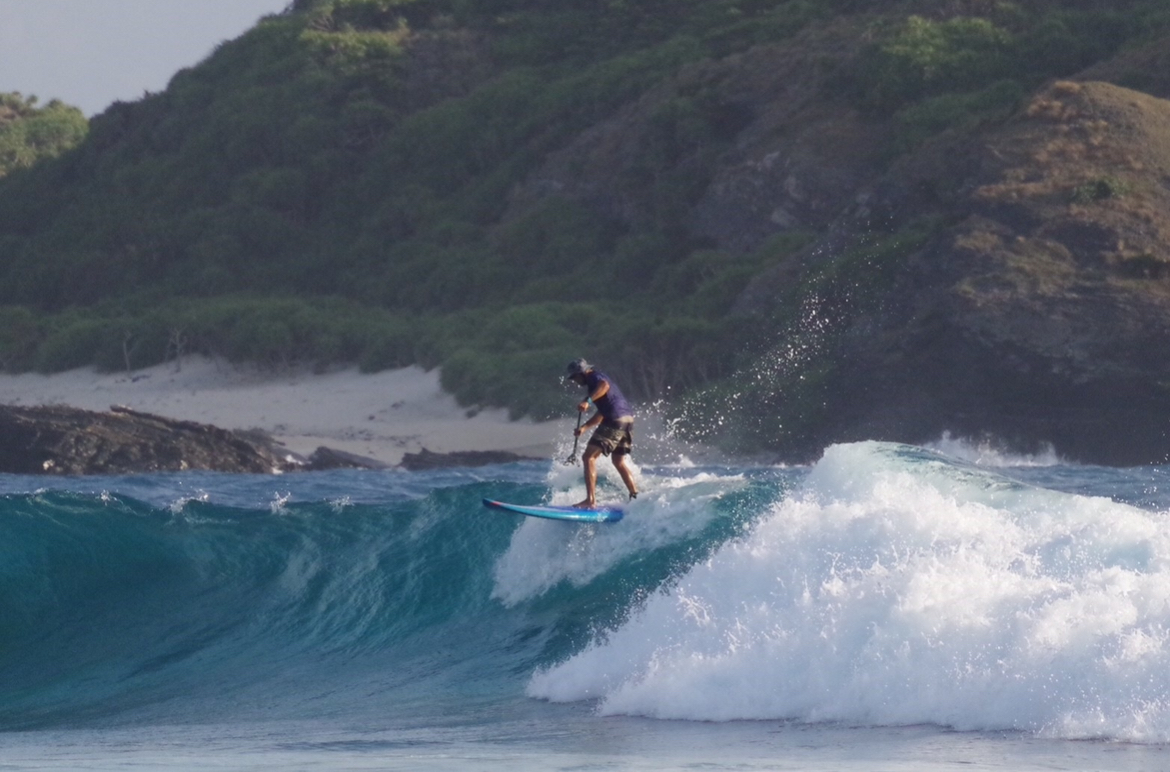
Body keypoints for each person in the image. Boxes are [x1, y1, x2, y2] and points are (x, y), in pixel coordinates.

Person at [565, 358, 638, 507]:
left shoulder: (595, 378)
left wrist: (588, 401)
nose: (574, 381)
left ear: (582, 373)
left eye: (574, 377)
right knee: (618, 461)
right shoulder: (597, 381)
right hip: (627, 420)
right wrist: (584, 427)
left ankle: (590, 500)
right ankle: (635, 497)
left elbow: (604, 386)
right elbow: (602, 412)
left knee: (588, 457)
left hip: (614, 420)